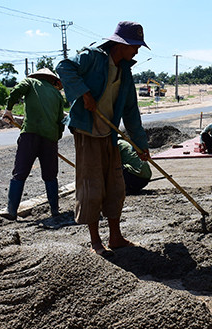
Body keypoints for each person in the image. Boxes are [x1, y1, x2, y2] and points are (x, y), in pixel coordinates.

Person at [55, 20, 150, 256]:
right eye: (134, 46)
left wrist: (140, 145)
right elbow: (64, 67)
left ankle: (115, 237)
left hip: (109, 134)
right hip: (87, 131)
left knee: (116, 185)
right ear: (120, 44)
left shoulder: (125, 72)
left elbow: (131, 113)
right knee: (92, 186)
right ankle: (95, 241)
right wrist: (84, 94)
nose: (136, 50)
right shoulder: (93, 58)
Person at [0, 67, 65, 221]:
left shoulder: (30, 82)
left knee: (19, 173)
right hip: (50, 138)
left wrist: (8, 110)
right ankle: (55, 210)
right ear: (52, 80)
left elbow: (15, 91)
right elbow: (60, 121)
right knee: (50, 176)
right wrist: (55, 139)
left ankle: (12, 211)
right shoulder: (57, 94)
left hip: (30, 135)